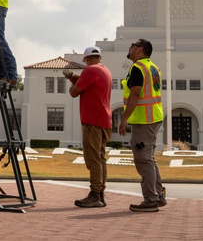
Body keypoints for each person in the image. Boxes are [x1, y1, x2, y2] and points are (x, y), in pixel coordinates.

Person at [118, 38, 165, 212]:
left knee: (143, 160)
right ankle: (157, 196)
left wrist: (124, 119)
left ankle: (151, 200)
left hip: (144, 120)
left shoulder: (138, 68)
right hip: (153, 117)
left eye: (133, 45)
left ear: (141, 50)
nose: (130, 47)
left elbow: (135, 94)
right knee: (149, 159)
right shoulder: (153, 67)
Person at [64, 45, 113, 207]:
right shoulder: (105, 70)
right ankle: (101, 193)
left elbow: (74, 92)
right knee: (100, 158)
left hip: (92, 120)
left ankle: (95, 195)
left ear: (86, 59)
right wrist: (72, 76)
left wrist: (72, 83)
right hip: (104, 120)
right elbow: (85, 81)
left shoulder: (90, 71)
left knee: (92, 159)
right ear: (99, 57)